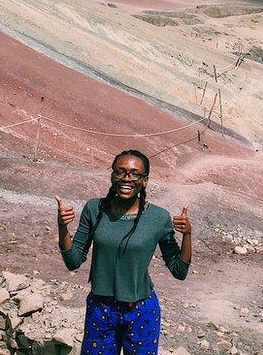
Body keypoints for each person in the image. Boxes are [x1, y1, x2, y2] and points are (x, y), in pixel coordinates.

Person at [56, 149, 192, 355]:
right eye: (120, 172)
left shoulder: (158, 217)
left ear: (145, 180)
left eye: (134, 173)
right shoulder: (94, 209)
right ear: (112, 175)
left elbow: (179, 271)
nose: (126, 178)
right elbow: (73, 261)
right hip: (100, 309)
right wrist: (62, 227)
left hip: (141, 311)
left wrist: (188, 234)